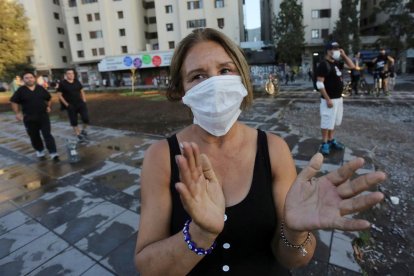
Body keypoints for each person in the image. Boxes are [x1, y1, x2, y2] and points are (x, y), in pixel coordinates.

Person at [134, 28, 385, 275]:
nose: (215, 85)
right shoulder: (162, 158)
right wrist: (200, 234)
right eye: (198, 76)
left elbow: (296, 258)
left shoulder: (274, 150)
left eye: (225, 70)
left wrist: (295, 231)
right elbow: (148, 267)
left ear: (241, 76)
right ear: (181, 90)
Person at [315, 41, 355, 156]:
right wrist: (327, 99)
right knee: (327, 121)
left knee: (333, 122)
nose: (337, 50)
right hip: (329, 100)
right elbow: (320, 84)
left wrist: (344, 55)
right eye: (335, 49)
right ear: (328, 51)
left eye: (338, 48)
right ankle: (324, 143)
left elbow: (352, 66)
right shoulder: (324, 64)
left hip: (338, 99)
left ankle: (331, 140)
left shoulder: (337, 63)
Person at [10, 71, 59, 161]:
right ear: (23, 80)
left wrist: (48, 106)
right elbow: (14, 101)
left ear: (34, 78)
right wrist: (17, 113)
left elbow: (49, 98)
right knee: (34, 136)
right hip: (29, 118)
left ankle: (53, 153)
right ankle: (40, 150)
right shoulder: (21, 91)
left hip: (43, 116)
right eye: (26, 78)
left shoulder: (40, 88)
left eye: (31, 77)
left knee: (47, 135)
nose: (29, 79)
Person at [56, 68, 90, 142]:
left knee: (86, 118)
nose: (71, 75)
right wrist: (67, 104)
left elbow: (81, 90)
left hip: (80, 103)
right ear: (66, 75)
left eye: (72, 73)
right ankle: (78, 134)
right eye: (69, 73)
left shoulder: (77, 81)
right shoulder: (62, 83)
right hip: (71, 105)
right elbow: (59, 95)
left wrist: (84, 100)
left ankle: (83, 130)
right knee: (74, 121)